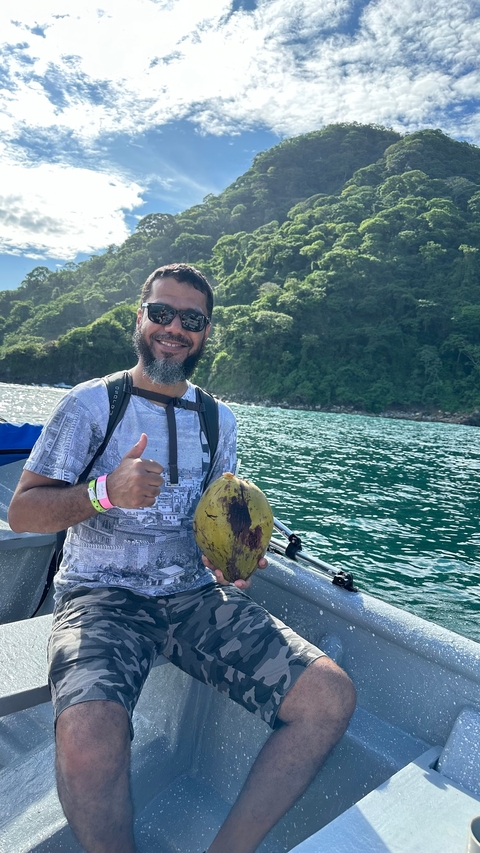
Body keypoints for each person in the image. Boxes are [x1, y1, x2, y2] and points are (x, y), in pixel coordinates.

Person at [8, 263, 356, 853]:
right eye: (162, 313)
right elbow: (23, 514)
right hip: (100, 597)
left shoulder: (219, 420)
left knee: (329, 697)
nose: (174, 328)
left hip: (194, 596)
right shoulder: (90, 405)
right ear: (140, 318)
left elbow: (219, 513)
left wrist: (237, 560)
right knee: (88, 738)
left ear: (206, 332)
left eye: (191, 319)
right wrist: (104, 492)